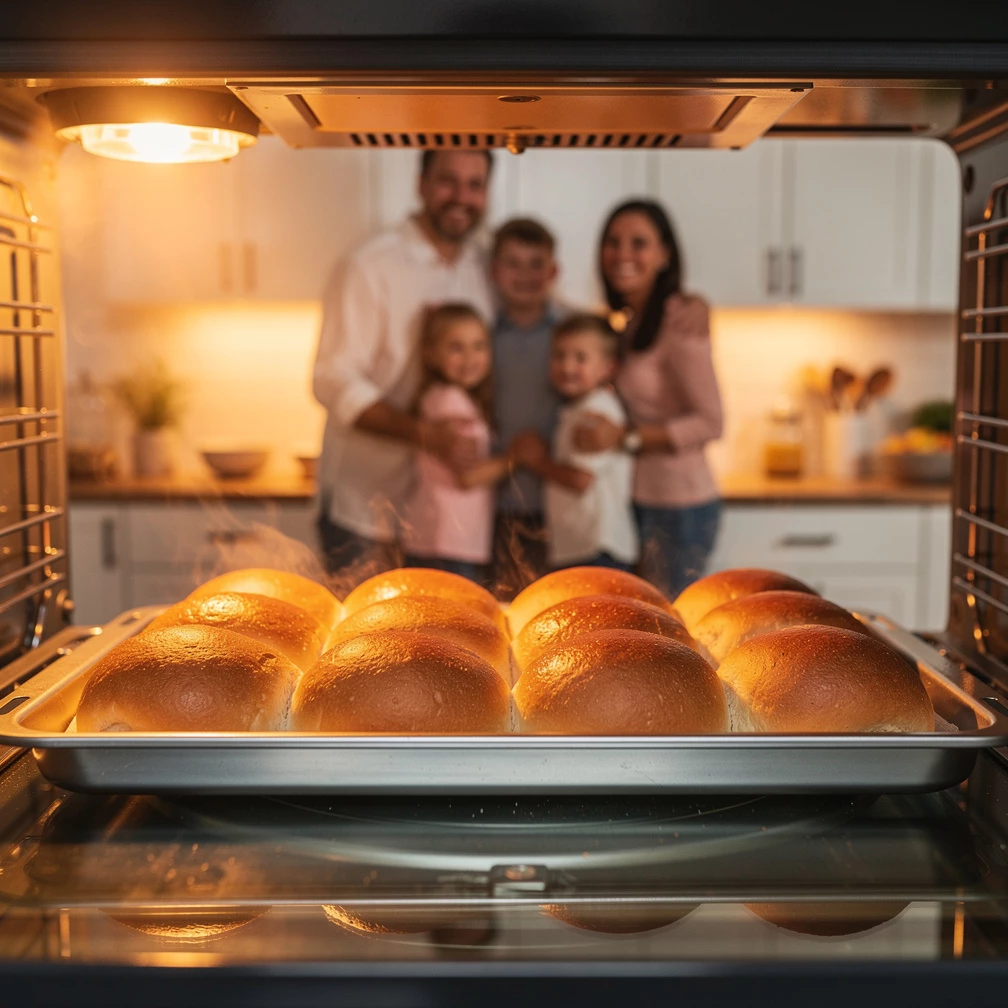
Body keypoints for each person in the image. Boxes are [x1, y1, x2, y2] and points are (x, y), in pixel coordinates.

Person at [312, 151, 495, 581]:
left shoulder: (481, 267)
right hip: (368, 508)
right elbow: (333, 379)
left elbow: (543, 304)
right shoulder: (370, 265)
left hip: (443, 519)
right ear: (421, 184)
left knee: (435, 641)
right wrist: (424, 434)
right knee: (367, 641)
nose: (461, 197)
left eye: (475, 184)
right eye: (448, 180)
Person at [573, 199, 723, 598]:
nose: (623, 254)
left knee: (667, 625)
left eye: (638, 243)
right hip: (641, 500)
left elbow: (711, 421)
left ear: (664, 254)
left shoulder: (680, 320)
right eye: (613, 242)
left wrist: (626, 436)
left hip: (681, 505)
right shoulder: (631, 322)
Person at [512, 314, 638, 572]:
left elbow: (581, 479)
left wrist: (535, 461)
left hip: (597, 547)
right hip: (581, 545)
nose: (567, 366)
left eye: (580, 358)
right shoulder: (577, 409)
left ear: (608, 367)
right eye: (559, 355)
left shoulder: (596, 411)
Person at [401, 303, 510, 583]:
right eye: (456, 348)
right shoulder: (452, 402)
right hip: (449, 540)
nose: (470, 357)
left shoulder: (439, 397)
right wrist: (517, 458)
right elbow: (470, 476)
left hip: (435, 534)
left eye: (479, 346)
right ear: (430, 353)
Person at [488, 218, 564, 594]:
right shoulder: (480, 334)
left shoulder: (572, 331)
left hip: (559, 503)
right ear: (494, 271)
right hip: (493, 504)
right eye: (512, 263)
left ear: (553, 271)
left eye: (536, 263)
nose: (525, 274)